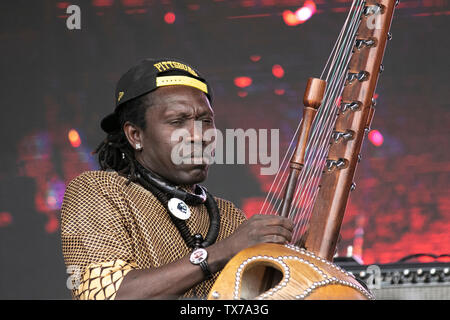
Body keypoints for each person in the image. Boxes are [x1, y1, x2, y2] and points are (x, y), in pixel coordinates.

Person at [61, 58, 293, 300]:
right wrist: (223, 251)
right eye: (177, 122)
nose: (199, 136)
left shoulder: (228, 216)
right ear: (135, 135)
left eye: (206, 121)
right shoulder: (98, 191)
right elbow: (106, 296)